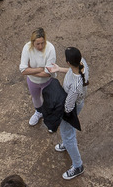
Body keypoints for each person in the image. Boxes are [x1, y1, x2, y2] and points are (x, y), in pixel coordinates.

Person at [49, 47, 90, 181]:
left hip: (72, 108)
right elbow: (73, 72)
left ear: (68, 62)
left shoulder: (75, 86)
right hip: (77, 102)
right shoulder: (82, 63)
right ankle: (66, 144)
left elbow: (68, 107)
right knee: (68, 133)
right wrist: (59, 69)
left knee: (68, 134)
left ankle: (78, 166)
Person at [19, 29, 57, 126]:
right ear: (32, 43)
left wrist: (30, 70)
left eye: (42, 43)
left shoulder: (50, 49)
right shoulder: (27, 48)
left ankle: (51, 116)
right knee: (36, 98)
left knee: (50, 99)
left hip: (48, 81)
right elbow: (23, 70)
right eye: (37, 44)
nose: (40, 46)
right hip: (33, 81)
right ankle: (39, 112)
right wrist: (40, 69)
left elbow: (48, 73)